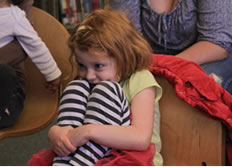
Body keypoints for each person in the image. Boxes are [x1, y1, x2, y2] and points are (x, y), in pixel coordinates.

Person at [48, 8, 162, 166]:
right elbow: (72, 116)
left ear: (124, 57)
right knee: (76, 88)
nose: (89, 75)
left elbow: (141, 138)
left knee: (105, 91)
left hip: (132, 159)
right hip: (88, 156)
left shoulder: (140, 80)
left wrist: (89, 131)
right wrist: (55, 133)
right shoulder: (89, 81)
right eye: (82, 65)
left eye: (98, 66)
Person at [109, 0, 232, 104]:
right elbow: (126, 40)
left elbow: (217, 44)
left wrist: (161, 67)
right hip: (155, 62)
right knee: (111, 81)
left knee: (198, 86)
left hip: (231, 56)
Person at [0, 0, 62, 128]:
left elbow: (35, 45)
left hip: (9, 98)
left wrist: (52, 74)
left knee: (4, 72)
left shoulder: (14, 16)